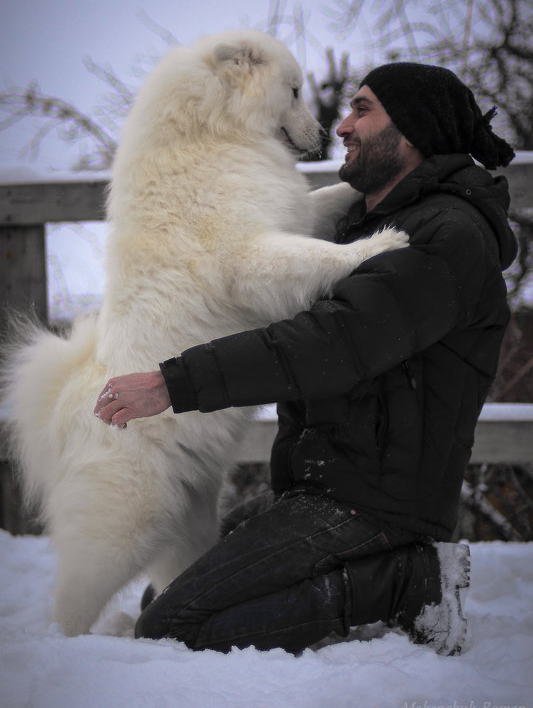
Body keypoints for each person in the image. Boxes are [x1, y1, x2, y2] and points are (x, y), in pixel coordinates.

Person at [95, 62, 517, 656]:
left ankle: (407, 583)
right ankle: (373, 581)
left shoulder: (446, 238)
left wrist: (173, 383)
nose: (342, 125)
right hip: (320, 485)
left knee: (174, 628)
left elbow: (331, 342)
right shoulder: (370, 224)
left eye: (363, 110)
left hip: (376, 502)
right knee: (161, 598)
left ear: (415, 131)